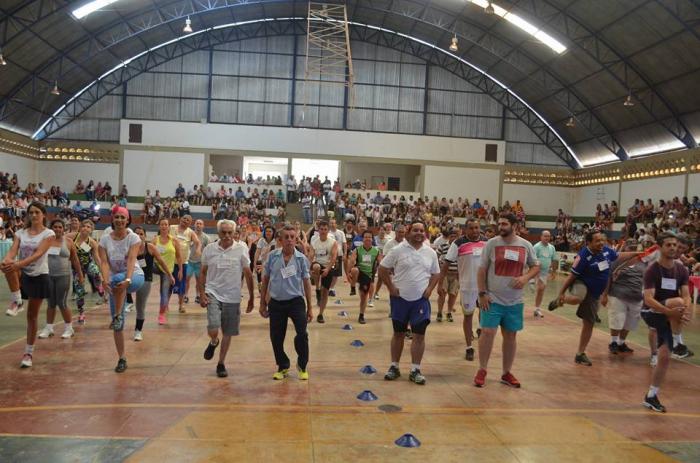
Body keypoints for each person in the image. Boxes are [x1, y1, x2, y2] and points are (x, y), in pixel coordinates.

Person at [549, 230, 638, 366]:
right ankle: (561, 300)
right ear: (588, 242)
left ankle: (580, 354)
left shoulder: (607, 251)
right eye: (597, 240)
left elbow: (619, 256)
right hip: (581, 283)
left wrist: (637, 254)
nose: (601, 242)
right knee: (578, 297)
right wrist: (561, 292)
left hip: (595, 293)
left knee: (589, 323)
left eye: (602, 240)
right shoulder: (583, 256)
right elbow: (572, 276)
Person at [475, 213, 540, 388]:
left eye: (504, 224)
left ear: (514, 226)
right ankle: (482, 369)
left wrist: (525, 278)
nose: (500, 227)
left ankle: (506, 372)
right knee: (487, 333)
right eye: (499, 224)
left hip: (515, 301)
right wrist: (482, 293)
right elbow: (481, 270)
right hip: (492, 299)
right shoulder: (491, 243)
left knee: (510, 336)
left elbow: (536, 265)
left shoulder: (525, 245)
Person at [379, 220, 440, 385]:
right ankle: (394, 367)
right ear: (408, 232)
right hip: (400, 300)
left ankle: (415, 369)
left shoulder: (430, 253)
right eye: (415, 230)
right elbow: (382, 269)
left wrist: (430, 289)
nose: (419, 233)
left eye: (421, 230)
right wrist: (391, 287)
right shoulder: (397, 250)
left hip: (420, 301)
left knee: (419, 335)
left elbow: (436, 273)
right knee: (398, 334)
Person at [198, 220, 255, 378]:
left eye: (230, 232)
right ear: (218, 233)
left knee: (228, 332)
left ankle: (221, 363)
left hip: (233, 296)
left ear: (234, 233)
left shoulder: (241, 249)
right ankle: (214, 341)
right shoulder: (209, 249)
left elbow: (248, 274)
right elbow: (202, 272)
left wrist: (251, 297)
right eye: (224, 232)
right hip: (213, 292)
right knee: (213, 327)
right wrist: (202, 294)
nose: (227, 236)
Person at [1, 202, 55, 368]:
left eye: (37, 212)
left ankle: (28, 353)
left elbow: (39, 254)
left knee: (32, 316)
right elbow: (12, 251)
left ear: (43, 215)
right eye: (31, 212)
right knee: (6, 265)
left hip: (39, 275)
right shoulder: (20, 233)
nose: (33, 215)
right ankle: (17, 300)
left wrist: (18, 264)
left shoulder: (49, 233)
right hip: (22, 273)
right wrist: (7, 260)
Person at [641, 232, 690, 413]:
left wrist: (686, 310)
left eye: (675, 245)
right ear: (660, 247)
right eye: (668, 245)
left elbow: (686, 295)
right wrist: (671, 311)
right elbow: (648, 299)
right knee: (677, 302)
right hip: (652, 311)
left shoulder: (681, 270)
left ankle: (651, 395)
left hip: (669, 315)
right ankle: (679, 343)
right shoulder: (652, 269)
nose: (672, 248)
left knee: (664, 359)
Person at [259, 224, 314, 380]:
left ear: (296, 239)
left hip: (296, 301)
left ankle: (302, 365)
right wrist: (263, 303)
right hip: (276, 302)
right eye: (286, 237)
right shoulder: (272, 257)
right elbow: (265, 279)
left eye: (292, 237)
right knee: (276, 337)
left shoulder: (301, 259)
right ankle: (283, 365)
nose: (289, 240)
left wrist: (310, 307)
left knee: (302, 334)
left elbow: (307, 283)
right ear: (280, 240)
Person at [97, 206, 145, 373]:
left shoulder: (133, 238)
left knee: (118, 279)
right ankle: (122, 358)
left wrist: (128, 279)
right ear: (112, 219)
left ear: (127, 220)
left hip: (135, 276)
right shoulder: (104, 240)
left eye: (122, 218)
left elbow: (132, 259)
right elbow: (103, 262)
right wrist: (104, 280)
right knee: (118, 327)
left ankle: (118, 314)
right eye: (116, 217)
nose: (119, 220)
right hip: (116, 285)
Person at [442, 218, 486, 361]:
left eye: (477, 227)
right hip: (467, 286)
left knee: (484, 313)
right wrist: (439, 282)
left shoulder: (487, 242)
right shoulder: (458, 243)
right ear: (465, 229)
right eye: (471, 228)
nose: (474, 231)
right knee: (468, 316)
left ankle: (480, 328)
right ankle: (469, 347)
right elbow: (446, 263)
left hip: (485, 287)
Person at [37, 219, 84, 340]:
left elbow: (75, 260)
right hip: (48, 275)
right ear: (51, 228)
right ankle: (49, 328)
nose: (57, 229)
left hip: (63, 276)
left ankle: (69, 328)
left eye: (59, 227)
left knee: (62, 302)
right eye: (55, 227)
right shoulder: (46, 241)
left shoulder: (68, 242)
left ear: (63, 229)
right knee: (51, 303)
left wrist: (80, 275)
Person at [601, 240, 645, 355]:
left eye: (636, 247)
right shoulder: (617, 260)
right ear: (626, 249)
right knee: (617, 319)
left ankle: (621, 343)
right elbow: (608, 277)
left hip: (636, 296)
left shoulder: (644, 262)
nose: (634, 250)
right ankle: (613, 342)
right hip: (618, 294)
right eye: (631, 247)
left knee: (630, 322)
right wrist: (604, 295)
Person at [132, 226, 173, 341]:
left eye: (141, 234)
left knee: (140, 306)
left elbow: (161, 261)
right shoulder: (129, 247)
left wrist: (170, 275)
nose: (139, 236)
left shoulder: (150, 248)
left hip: (145, 279)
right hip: (130, 278)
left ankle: (138, 330)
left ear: (145, 236)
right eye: (137, 234)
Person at [72, 219, 105, 324]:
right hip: (77, 268)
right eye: (84, 226)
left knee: (95, 272)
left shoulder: (92, 243)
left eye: (88, 227)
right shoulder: (72, 237)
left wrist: (102, 273)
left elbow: (97, 258)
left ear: (91, 230)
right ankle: (81, 313)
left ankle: (99, 287)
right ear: (80, 227)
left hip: (88, 264)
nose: (85, 228)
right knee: (79, 291)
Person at [153, 218, 183, 325]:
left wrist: (180, 270)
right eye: (162, 224)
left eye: (166, 224)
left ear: (169, 227)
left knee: (164, 293)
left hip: (167, 270)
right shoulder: (155, 239)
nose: (164, 226)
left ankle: (161, 314)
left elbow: (179, 257)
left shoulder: (174, 241)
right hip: (156, 266)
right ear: (159, 227)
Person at [348, 230, 381, 324]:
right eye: (365, 237)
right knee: (354, 270)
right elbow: (351, 261)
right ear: (362, 239)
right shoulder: (357, 250)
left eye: (369, 237)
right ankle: (353, 287)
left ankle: (361, 315)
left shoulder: (376, 251)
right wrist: (348, 273)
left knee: (363, 296)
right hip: (359, 272)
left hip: (368, 275)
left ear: (372, 239)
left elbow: (381, 263)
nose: (367, 239)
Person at [308, 220, 338, 323]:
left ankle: (320, 314)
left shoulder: (332, 242)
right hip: (317, 263)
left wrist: (328, 268)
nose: (323, 231)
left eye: (325, 229)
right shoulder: (314, 241)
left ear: (328, 230)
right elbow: (311, 255)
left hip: (328, 265)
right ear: (318, 230)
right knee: (316, 267)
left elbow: (334, 257)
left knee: (325, 292)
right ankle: (317, 288)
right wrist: (308, 268)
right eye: (321, 229)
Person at [170, 215, 201, 312]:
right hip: (169, 261)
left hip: (182, 263)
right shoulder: (171, 227)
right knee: (168, 284)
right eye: (184, 218)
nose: (185, 220)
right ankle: (165, 305)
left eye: (188, 220)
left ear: (190, 223)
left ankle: (181, 305)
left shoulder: (190, 232)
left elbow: (198, 242)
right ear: (180, 219)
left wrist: (198, 249)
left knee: (181, 285)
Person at [532, 230, 558, 318]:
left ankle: (537, 308)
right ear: (541, 237)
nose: (547, 238)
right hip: (536, 271)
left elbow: (554, 259)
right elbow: (532, 259)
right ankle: (531, 281)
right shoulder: (536, 247)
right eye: (545, 236)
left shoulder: (552, 248)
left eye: (548, 236)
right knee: (541, 288)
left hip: (545, 273)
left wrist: (554, 272)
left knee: (541, 290)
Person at [436, 228, 459, 323]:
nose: (453, 238)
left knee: (453, 295)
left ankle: (449, 312)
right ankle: (440, 312)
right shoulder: (443, 246)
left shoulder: (460, 247)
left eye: (455, 236)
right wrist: (439, 267)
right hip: (445, 274)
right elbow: (435, 257)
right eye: (452, 236)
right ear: (449, 237)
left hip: (456, 274)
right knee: (442, 293)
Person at [185, 219, 210, 304]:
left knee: (199, 280)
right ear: (194, 225)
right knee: (186, 279)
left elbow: (209, 250)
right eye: (197, 223)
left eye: (200, 224)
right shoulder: (189, 235)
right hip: (189, 261)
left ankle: (198, 295)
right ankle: (186, 295)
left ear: (203, 226)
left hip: (200, 263)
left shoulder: (206, 238)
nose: (198, 225)